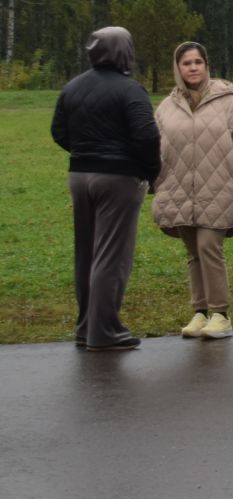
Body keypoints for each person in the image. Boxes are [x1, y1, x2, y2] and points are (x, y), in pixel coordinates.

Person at [52, 27, 161, 351]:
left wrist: (84, 152)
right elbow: (147, 135)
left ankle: (86, 326)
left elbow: (58, 131)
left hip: (80, 174)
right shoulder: (130, 90)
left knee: (85, 252)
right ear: (124, 51)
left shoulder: (72, 87)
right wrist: (149, 170)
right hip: (118, 179)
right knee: (111, 255)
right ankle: (105, 331)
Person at [151, 41, 233, 340]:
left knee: (209, 247)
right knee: (192, 252)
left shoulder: (227, 102)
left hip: (220, 187)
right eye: (187, 63)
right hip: (179, 189)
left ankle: (220, 314)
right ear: (178, 68)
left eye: (198, 61)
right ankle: (200, 311)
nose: (193, 67)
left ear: (206, 65)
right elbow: (154, 146)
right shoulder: (167, 107)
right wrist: (155, 181)